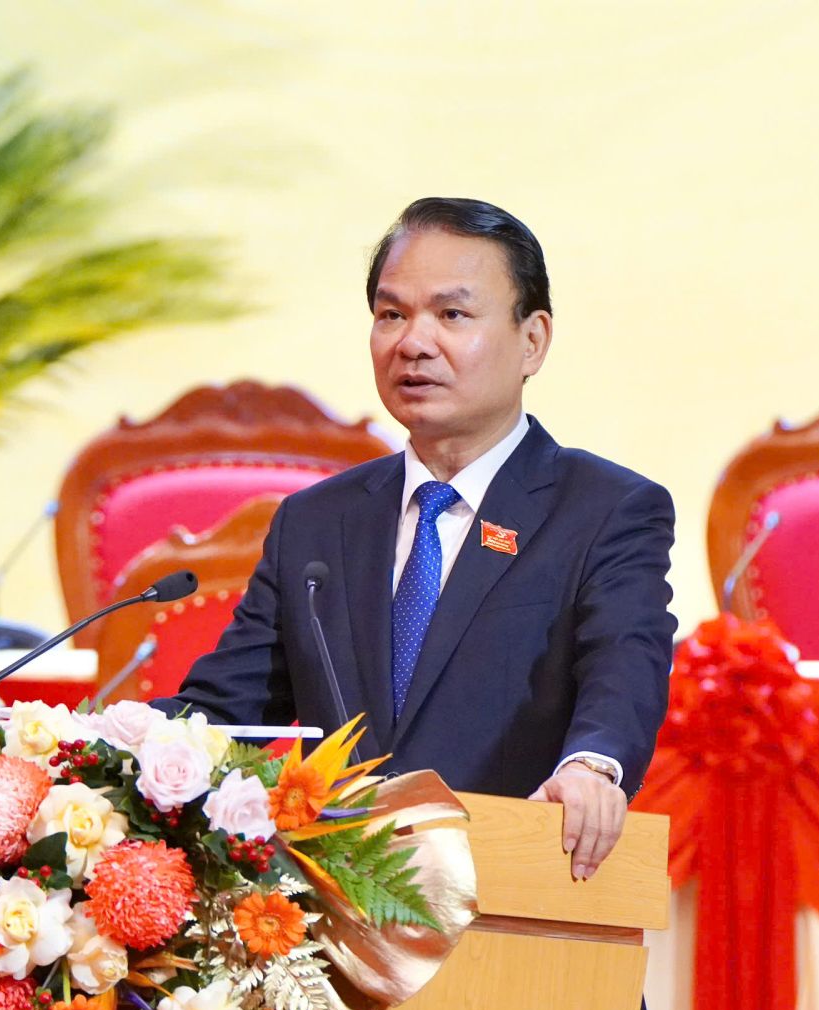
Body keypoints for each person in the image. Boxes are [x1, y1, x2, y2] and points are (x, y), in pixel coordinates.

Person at [163, 194, 674, 896]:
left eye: (452, 315)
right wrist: (80, 744)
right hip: (339, 916)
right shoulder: (316, 522)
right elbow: (224, 714)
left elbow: (624, 664)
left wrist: (592, 766)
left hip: (517, 901)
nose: (413, 342)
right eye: (391, 314)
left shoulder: (604, 510)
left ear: (533, 341)